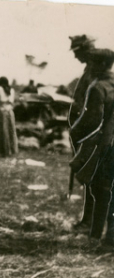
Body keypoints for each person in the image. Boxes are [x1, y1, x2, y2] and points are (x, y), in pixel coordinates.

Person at [68, 49, 114, 247]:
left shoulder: (98, 87)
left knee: (100, 188)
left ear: (102, 65)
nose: (90, 68)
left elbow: (91, 120)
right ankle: (110, 236)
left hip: (107, 145)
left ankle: (95, 235)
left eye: (94, 64)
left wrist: (74, 132)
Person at [67, 35, 97, 230]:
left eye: (77, 52)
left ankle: (91, 221)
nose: (76, 57)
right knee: (89, 178)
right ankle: (88, 219)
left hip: (91, 132)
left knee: (93, 177)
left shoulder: (97, 72)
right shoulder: (89, 70)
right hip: (84, 130)